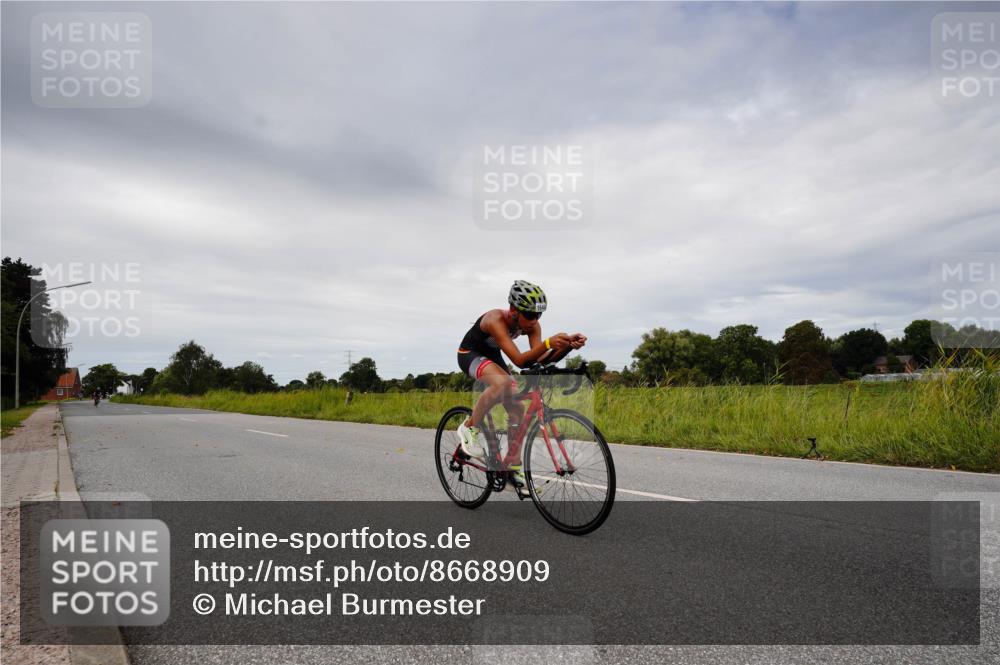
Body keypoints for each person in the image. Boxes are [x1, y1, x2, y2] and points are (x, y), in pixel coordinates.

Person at [456, 280, 586, 489]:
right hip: (470, 355)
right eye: (531, 315)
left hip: (492, 357)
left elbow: (540, 358)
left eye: (539, 316)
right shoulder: (494, 320)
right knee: (504, 384)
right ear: (514, 310)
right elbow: (519, 359)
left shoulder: (532, 326)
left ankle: (512, 468)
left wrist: (568, 346)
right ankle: (469, 428)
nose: (535, 321)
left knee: (517, 406)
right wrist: (548, 343)